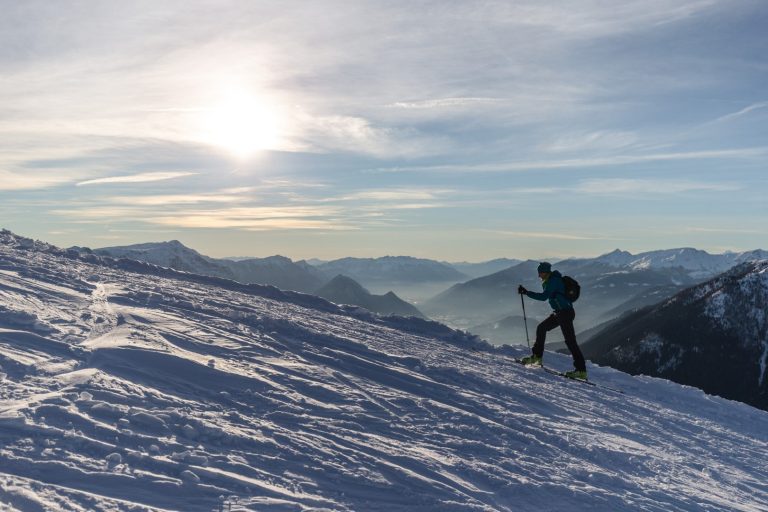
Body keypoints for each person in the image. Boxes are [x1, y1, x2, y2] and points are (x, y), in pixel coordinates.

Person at [517, 262, 587, 380]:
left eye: (540, 273)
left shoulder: (553, 281)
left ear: (545, 272)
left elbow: (544, 297)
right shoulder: (550, 280)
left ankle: (581, 371)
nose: (539, 276)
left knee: (570, 341)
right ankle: (537, 357)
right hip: (560, 313)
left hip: (565, 313)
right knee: (541, 328)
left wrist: (526, 292)